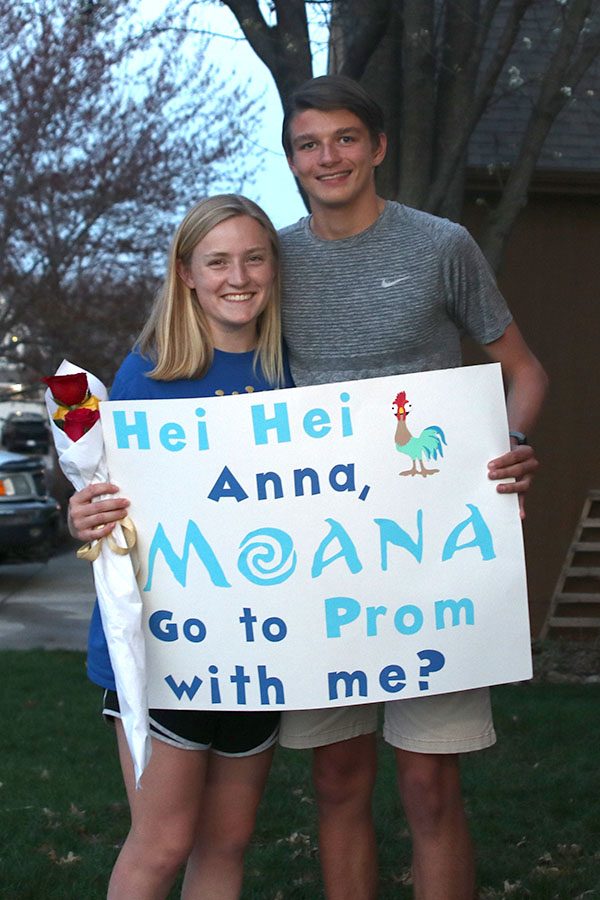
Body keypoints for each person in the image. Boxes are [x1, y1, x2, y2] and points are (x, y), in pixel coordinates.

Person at [275, 75, 548, 900]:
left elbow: (526, 372)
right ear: (292, 161)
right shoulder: (271, 261)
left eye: (346, 138)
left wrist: (514, 442)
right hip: (321, 562)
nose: (329, 157)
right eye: (309, 144)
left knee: (431, 786)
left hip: (431, 561)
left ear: (378, 146)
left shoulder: (440, 246)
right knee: (336, 781)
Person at [68, 194, 293, 900]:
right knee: (163, 842)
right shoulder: (150, 374)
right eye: (217, 260)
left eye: (254, 257)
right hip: (165, 648)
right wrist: (86, 512)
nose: (238, 276)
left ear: (274, 268)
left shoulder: (293, 374)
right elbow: (107, 496)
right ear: (186, 273)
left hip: (260, 643)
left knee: (226, 845)